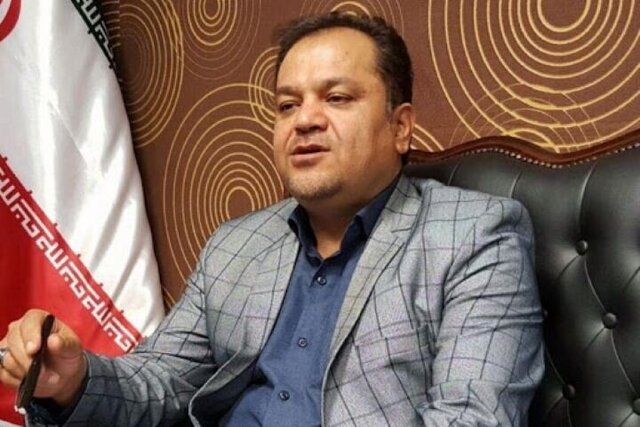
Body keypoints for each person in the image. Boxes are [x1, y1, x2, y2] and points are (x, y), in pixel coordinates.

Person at [0, 12, 544, 426]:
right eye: (287, 105)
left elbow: (473, 417)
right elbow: (162, 381)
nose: (304, 120)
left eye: (336, 97)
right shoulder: (237, 244)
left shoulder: (475, 234)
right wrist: (74, 379)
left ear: (400, 127)